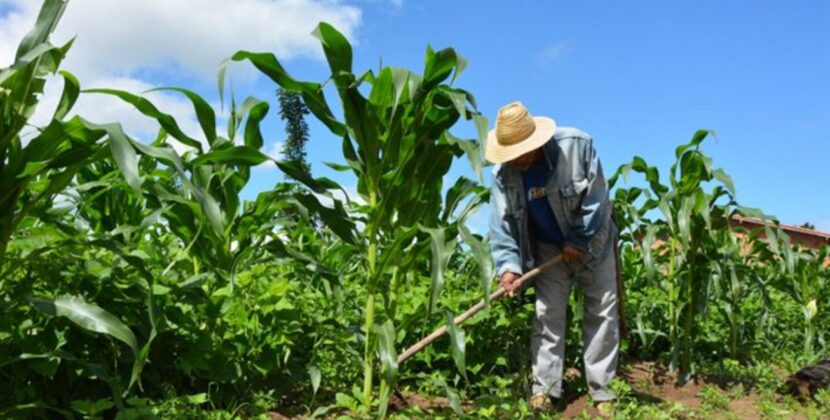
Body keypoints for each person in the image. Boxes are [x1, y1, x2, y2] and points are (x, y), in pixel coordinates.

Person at [487, 102, 619, 413]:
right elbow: (503, 226)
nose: (516, 159)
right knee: (547, 316)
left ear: (536, 141)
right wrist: (508, 267)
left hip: (594, 243)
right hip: (547, 248)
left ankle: (603, 392)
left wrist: (578, 239)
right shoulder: (504, 175)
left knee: (601, 313)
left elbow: (596, 200)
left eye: (521, 151)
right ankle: (544, 390)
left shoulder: (577, 147)